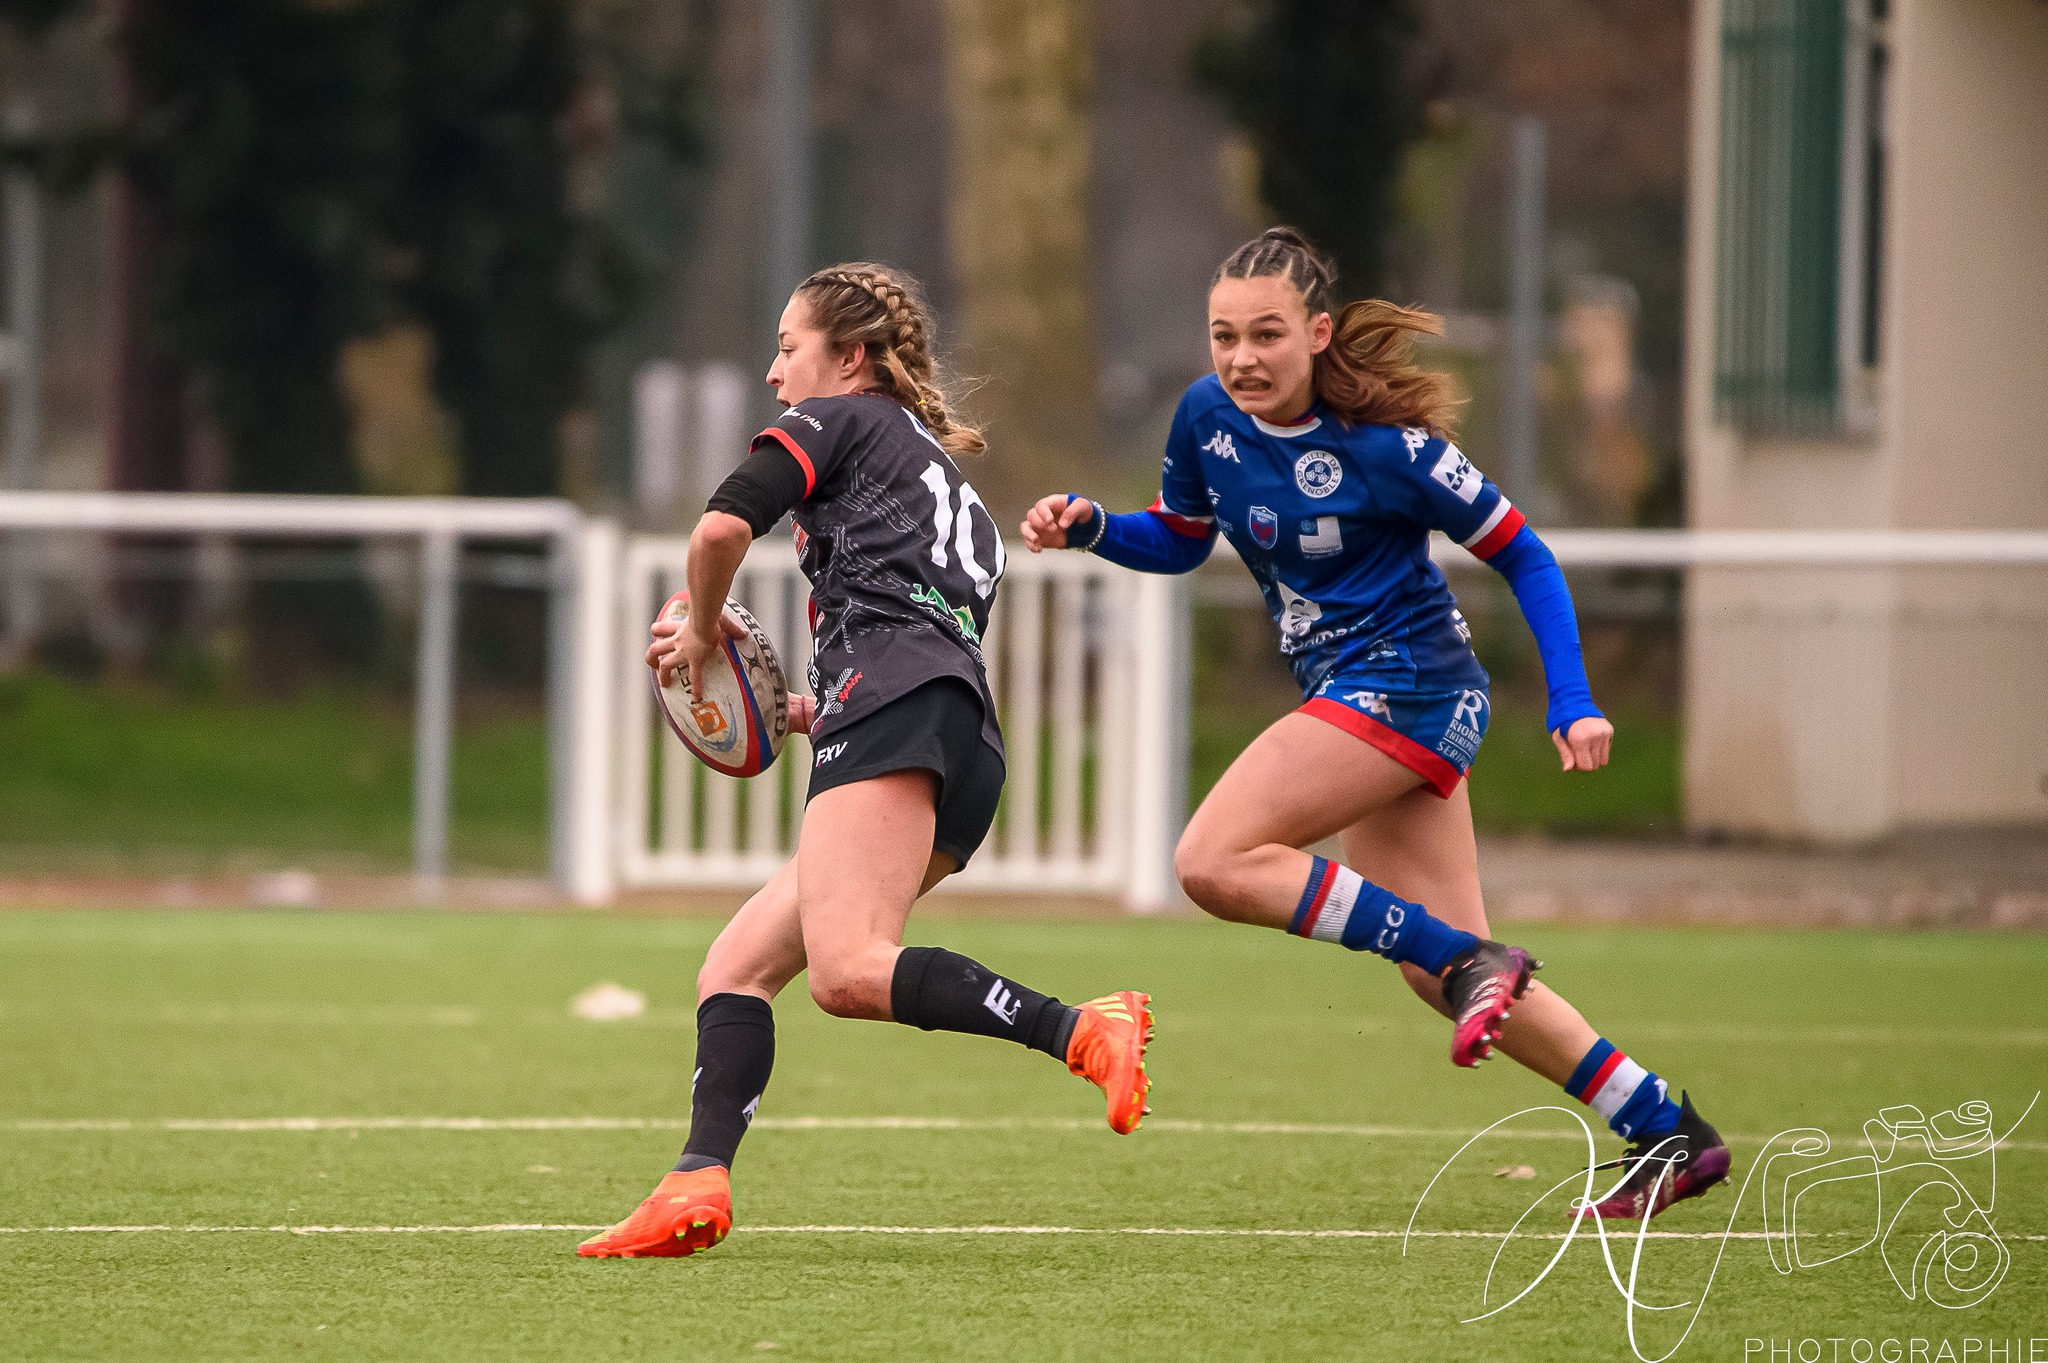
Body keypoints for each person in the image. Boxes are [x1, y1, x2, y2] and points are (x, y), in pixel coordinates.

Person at [1022, 227, 1728, 1222]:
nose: (1240, 357)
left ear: (1315, 333)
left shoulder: (1392, 453)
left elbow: (1524, 554)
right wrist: (1093, 526)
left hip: (1408, 687)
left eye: (1265, 334)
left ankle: (1469, 962)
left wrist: (1571, 696)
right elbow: (1180, 539)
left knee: (1213, 859)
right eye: (1222, 335)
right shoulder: (1203, 417)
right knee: (1427, 964)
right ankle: (1661, 1128)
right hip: (1360, 692)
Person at [579, 263, 1153, 1259]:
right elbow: (915, 617)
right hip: (954, 734)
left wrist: (705, 631)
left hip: (898, 717)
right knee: (736, 968)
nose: (771, 373)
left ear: (849, 360)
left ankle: (1079, 1027)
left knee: (846, 971)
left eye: (787, 346)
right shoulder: (937, 474)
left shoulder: (840, 421)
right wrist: (808, 707)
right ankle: (693, 1181)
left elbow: (719, 526)